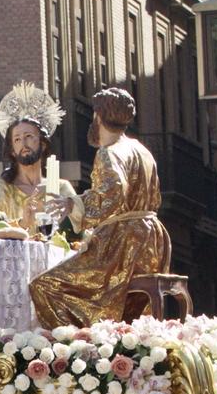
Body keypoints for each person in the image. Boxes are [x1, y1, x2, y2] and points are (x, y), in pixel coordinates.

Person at [28, 86, 169, 328]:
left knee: (45, 286)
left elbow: (111, 196)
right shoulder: (142, 150)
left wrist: (71, 203)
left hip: (122, 243)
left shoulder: (109, 153)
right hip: (153, 240)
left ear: (98, 116)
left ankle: (81, 348)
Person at [0, 84, 79, 235]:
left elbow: (80, 229)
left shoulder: (61, 189)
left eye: (29, 137)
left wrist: (61, 210)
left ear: (43, 144)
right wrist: (22, 224)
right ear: (12, 150)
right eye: (17, 139)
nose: (24, 144)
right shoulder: (0, 190)